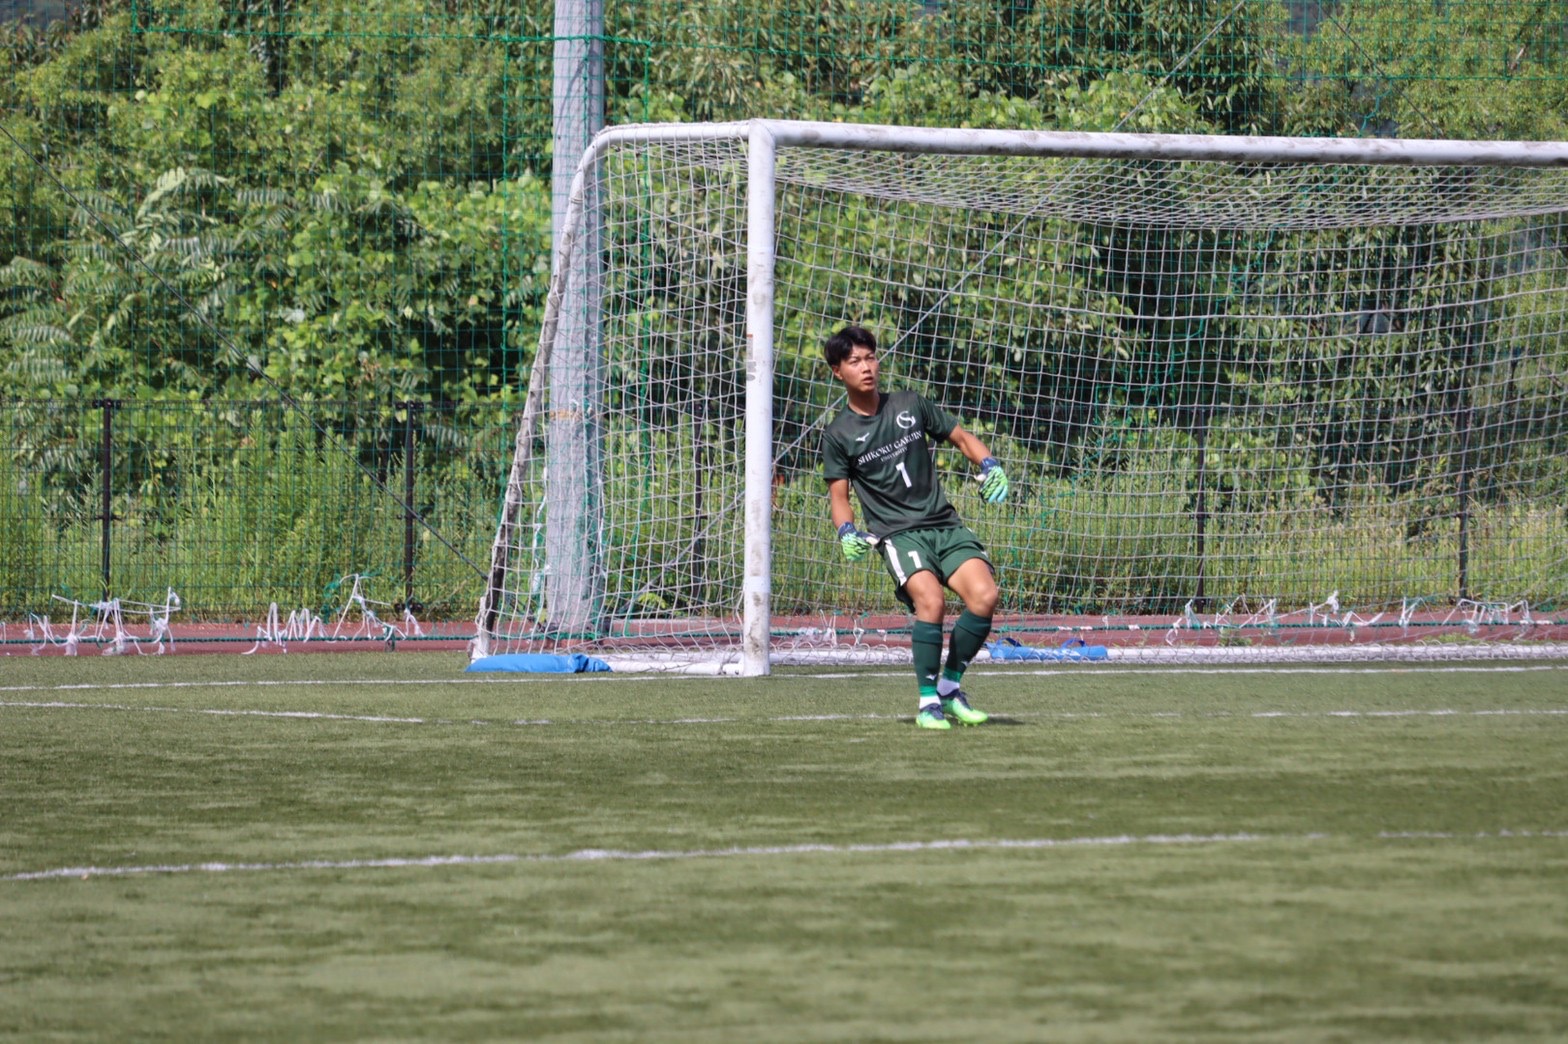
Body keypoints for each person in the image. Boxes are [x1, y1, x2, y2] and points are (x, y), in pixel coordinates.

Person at [820, 324, 1010, 731]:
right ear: (838, 371)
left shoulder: (910, 403)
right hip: (898, 534)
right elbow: (839, 496)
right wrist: (846, 531)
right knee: (931, 601)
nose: (866, 367)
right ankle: (927, 703)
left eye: (871, 357)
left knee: (985, 595)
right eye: (854, 361)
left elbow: (962, 438)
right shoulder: (837, 435)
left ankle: (949, 688)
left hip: (943, 523)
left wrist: (990, 463)